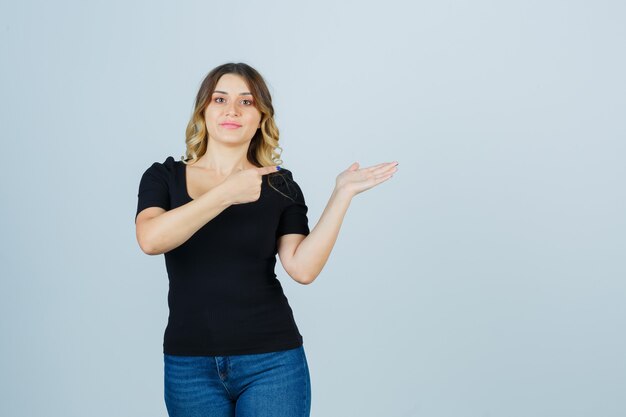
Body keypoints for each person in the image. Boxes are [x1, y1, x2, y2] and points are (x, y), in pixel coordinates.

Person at [134, 62, 398, 417]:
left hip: (271, 362)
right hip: (188, 367)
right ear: (203, 111)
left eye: (246, 102)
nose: (232, 110)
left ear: (261, 117)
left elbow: (302, 268)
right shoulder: (163, 177)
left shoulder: (280, 185)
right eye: (220, 99)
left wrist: (342, 195)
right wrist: (226, 193)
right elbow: (151, 239)